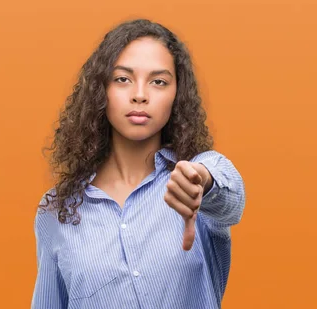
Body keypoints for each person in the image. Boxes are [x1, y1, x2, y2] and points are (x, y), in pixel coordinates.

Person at [31, 19, 246, 309]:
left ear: (176, 95)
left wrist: (202, 182)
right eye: (123, 79)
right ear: (100, 90)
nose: (140, 94)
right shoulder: (57, 210)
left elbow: (231, 199)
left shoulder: (196, 177)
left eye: (159, 81)